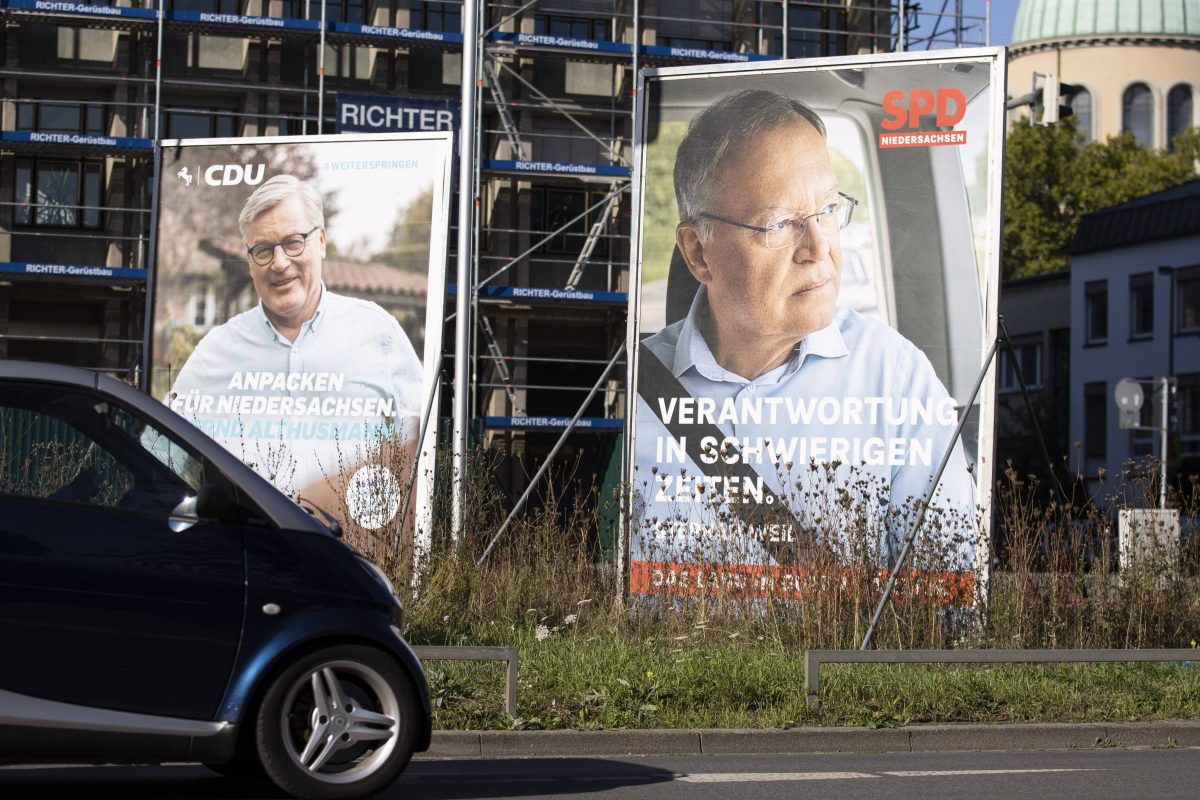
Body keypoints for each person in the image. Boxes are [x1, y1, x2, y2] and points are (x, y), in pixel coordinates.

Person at [633, 89, 976, 570]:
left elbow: (951, 602)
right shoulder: (633, 391)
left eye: (829, 209)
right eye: (778, 224)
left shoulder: (897, 380)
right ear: (698, 253)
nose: (819, 246)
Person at [168, 175, 422, 526]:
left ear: (321, 241)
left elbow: (426, 453)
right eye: (263, 249)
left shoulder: (379, 335)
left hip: (355, 564)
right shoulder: (216, 351)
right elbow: (160, 456)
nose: (279, 262)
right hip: (245, 561)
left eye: (293, 242)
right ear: (250, 259)